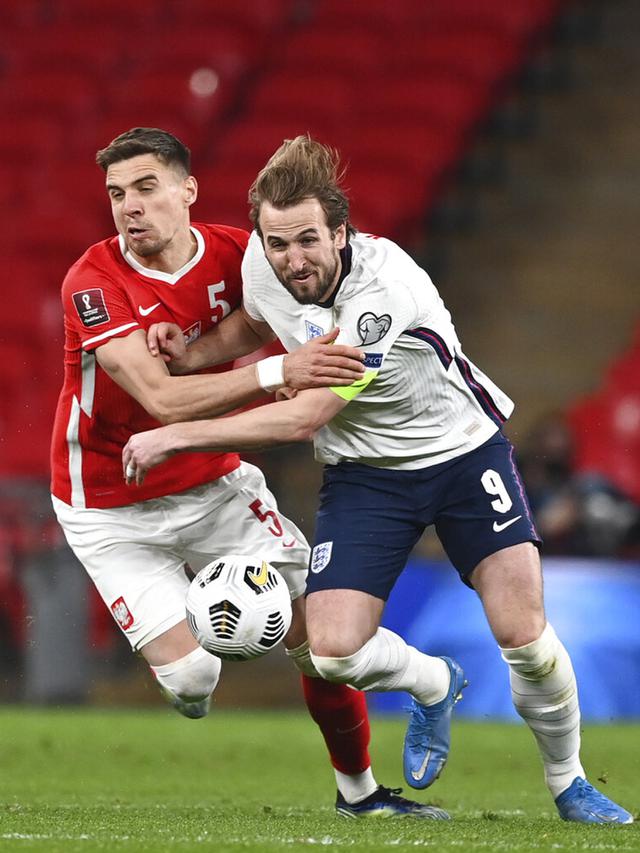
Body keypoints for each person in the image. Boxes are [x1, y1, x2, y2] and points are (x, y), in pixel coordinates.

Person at [123, 136, 633, 825]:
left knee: (526, 640)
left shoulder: (381, 290)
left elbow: (306, 414)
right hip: (367, 474)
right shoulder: (263, 263)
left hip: (462, 456)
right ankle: (434, 683)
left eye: (308, 240)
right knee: (332, 651)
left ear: (340, 232)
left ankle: (569, 782)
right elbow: (253, 321)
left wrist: (179, 431)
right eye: (278, 243)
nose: (293, 259)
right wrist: (192, 356)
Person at [50, 127, 448, 820]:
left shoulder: (243, 254)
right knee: (192, 679)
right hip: (109, 507)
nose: (130, 206)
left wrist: (293, 360)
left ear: (188, 190)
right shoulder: (93, 282)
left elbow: (285, 315)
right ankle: (194, 649)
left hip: (214, 486)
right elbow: (162, 400)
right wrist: (279, 372)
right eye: (116, 194)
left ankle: (369, 778)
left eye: (146, 187)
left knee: (318, 638)